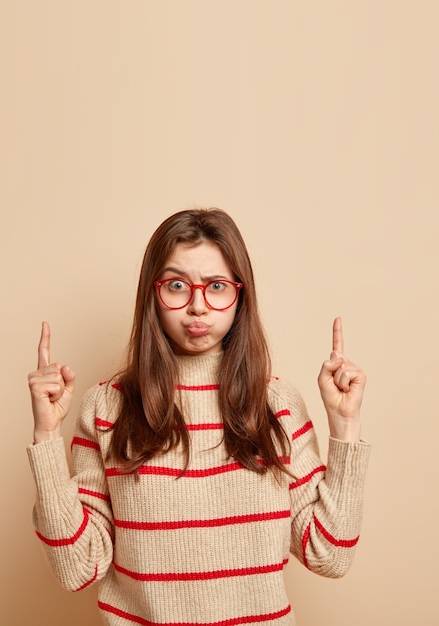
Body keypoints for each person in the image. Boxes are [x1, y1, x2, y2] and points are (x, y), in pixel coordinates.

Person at [27, 208, 370, 625]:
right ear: (152, 293)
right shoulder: (106, 408)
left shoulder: (277, 403)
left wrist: (345, 427)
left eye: (217, 286)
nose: (197, 307)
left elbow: (330, 553)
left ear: (240, 295)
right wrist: (46, 437)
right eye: (177, 285)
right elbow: (77, 568)